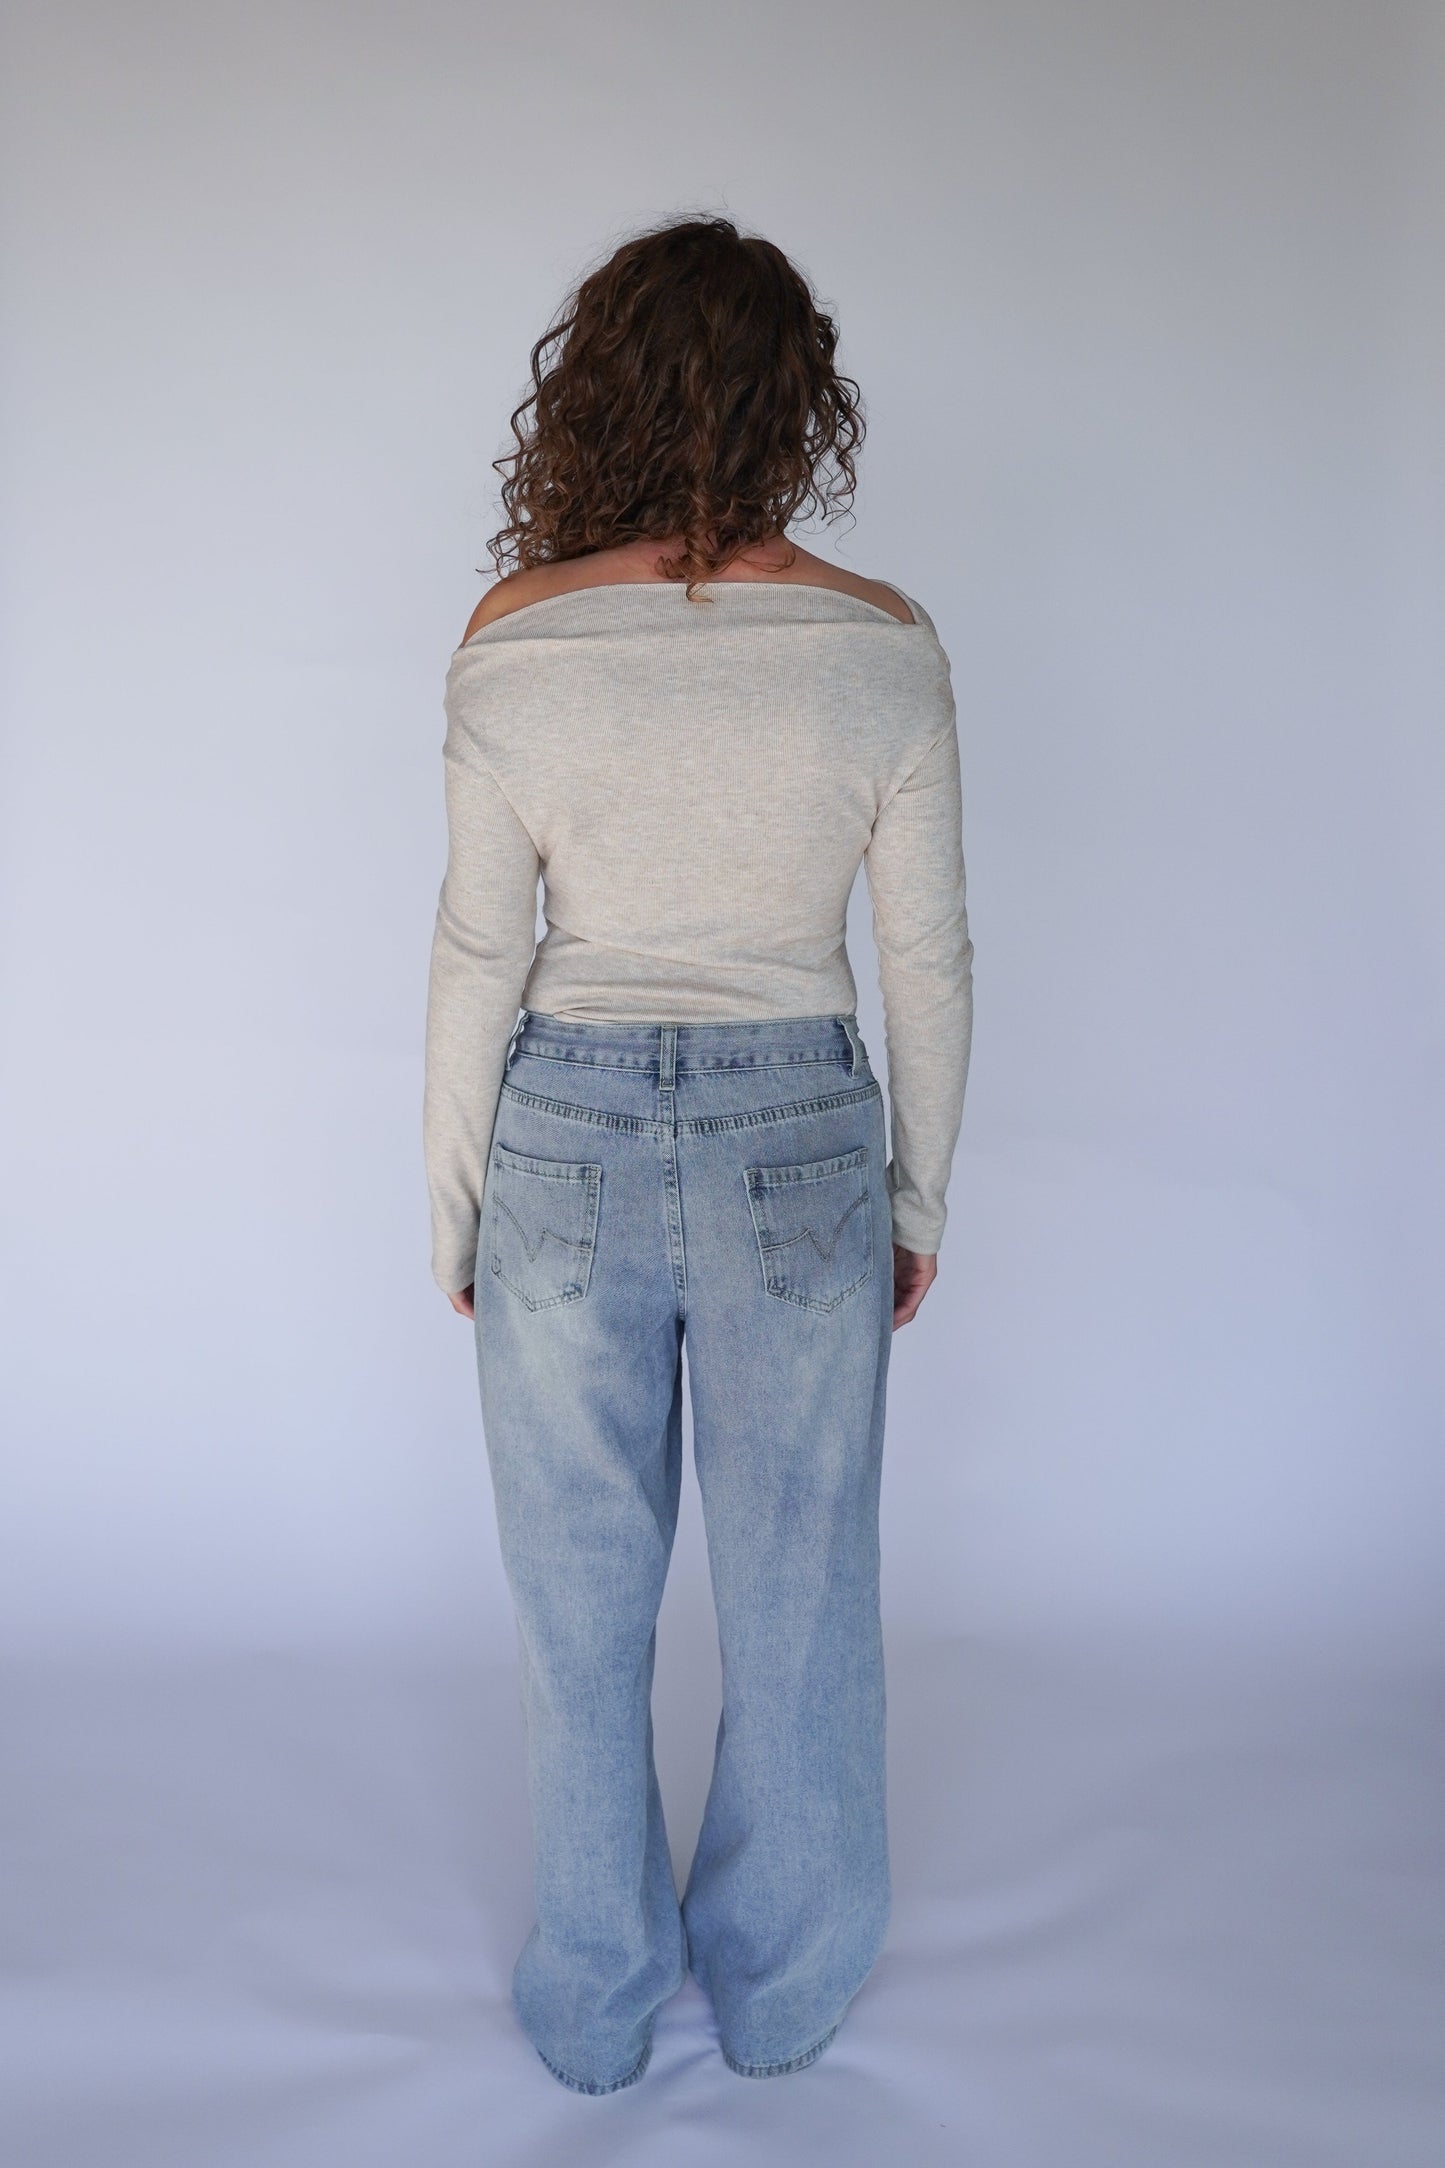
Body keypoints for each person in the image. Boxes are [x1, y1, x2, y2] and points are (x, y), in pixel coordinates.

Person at [422, 212, 974, 2094]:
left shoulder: (512, 642)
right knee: (801, 1580)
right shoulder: (881, 647)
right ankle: (784, 1989)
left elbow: (479, 951)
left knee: (575, 1598)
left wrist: (455, 1204)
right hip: (797, 1133)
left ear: (591, 395)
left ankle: (592, 2002)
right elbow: (926, 960)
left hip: (560, 1128)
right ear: (798, 400)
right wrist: (915, 1195)